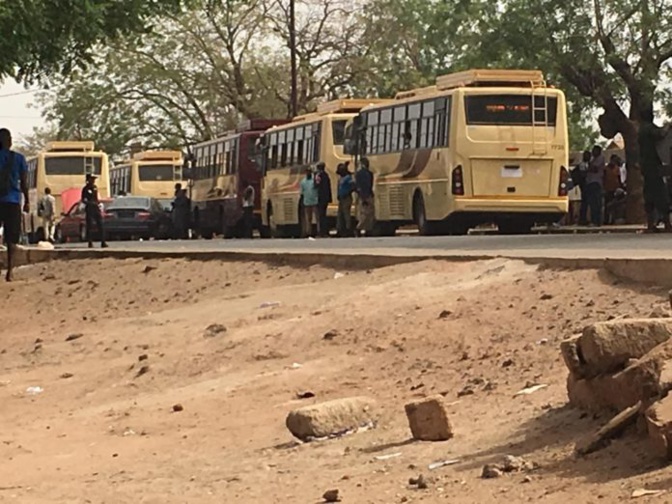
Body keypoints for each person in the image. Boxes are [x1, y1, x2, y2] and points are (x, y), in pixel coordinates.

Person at [0, 128, 29, 282]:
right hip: (12, 201)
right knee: (12, 238)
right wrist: (27, 201)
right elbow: (24, 182)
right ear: (8, 141)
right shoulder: (18, 158)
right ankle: (10, 271)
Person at [638, 110, 672, 232]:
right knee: (660, 194)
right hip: (652, 166)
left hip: (646, 166)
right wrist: (668, 125)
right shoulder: (648, 128)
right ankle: (667, 224)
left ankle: (650, 225)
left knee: (649, 194)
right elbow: (661, 134)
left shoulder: (642, 129)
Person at [579, 145, 604, 226]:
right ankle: (594, 220)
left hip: (595, 182)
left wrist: (588, 163)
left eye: (594, 150)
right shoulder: (593, 160)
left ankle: (596, 221)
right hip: (590, 182)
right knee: (592, 203)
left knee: (595, 203)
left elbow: (594, 169)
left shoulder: (600, 158)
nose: (592, 152)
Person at [81, 173, 108, 248]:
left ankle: (103, 242)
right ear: (88, 180)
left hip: (96, 208)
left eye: (94, 179)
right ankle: (90, 242)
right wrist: (89, 203)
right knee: (90, 226)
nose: (93, 181)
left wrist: (98, 203)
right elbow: (83, 199)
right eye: (92, 179)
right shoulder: (85, 189)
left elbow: (96, 198)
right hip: (89, 208)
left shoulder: (95, 187)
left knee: (101, 225)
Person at [355, 157, 375, 236]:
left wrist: (362, 196)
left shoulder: (359, 174)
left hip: (362, 195)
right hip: (369, 195)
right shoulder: (370, 173)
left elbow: (359, 186)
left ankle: (359, 228)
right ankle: (366, 229)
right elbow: (369, 185)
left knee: (363, 214)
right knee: (369, 214)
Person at [336, 163, 355, 237]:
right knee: (340, 214)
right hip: (341, 198)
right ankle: (340, 229)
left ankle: (348, 229)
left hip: (346, 198)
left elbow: (353, 186)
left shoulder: (348, 178)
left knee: (346, 214)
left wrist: (347, 192)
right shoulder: (340, 178)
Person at [603, 154, 623, 225]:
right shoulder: (605, 169)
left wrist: (620, 186)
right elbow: (604, 178)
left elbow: (619, 178)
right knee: (607, 206)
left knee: (614, 206)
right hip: (607, 189)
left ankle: (613, 220)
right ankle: (606, 220)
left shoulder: (617, 168)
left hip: (615, 189)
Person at [313, 161, 332, 237]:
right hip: (326, 198)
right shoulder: (326, 175)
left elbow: (316, 185)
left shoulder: (319, 175)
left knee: (320, 216)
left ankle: (321, 232)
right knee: (324, 215)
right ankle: (325, 231)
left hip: (320, 198)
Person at [299, 167, 318, 238]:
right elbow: (302, 193)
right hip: (307, 202)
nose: (308, 173)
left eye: (309, 172)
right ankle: (308, 232)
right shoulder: (303, 182)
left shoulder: (314, 180)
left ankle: (317, 231)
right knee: (308, 218)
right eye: (307, 172)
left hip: (315, 201)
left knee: (316, 218)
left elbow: (317, 187)